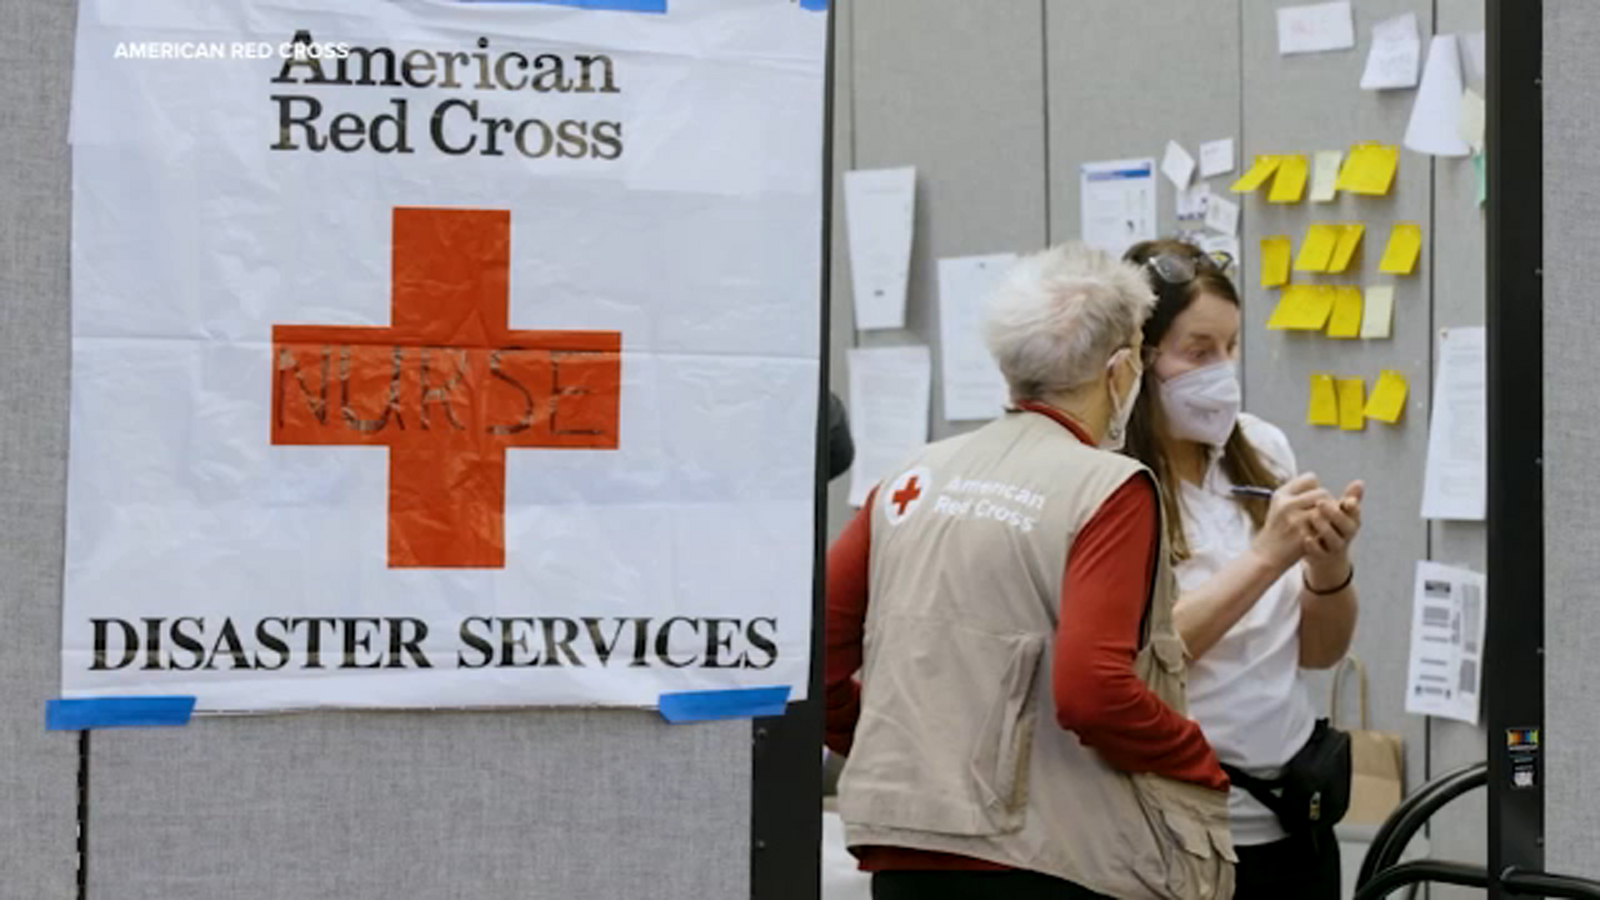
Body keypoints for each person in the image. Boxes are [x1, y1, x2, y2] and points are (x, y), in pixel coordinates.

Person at [825, 243, 1235, 900]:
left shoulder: (911, 476)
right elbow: (1092, 692)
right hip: (1045, 857)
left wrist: (883, 739)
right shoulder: (1108, 487)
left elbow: (813, 653)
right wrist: (1193, 756)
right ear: (1122, 369)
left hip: (904, 849)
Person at [1122, 239, 1363, 900]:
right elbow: (1144, 659)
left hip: (1291, 817)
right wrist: (1264, 559)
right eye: (1198, 352)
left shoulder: (1260, 448)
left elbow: (1317, 652)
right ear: (1138, 359)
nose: (1221, 371)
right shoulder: (1113, 481)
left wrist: (1328, 561)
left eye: (1231, 348)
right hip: (1178, 835)